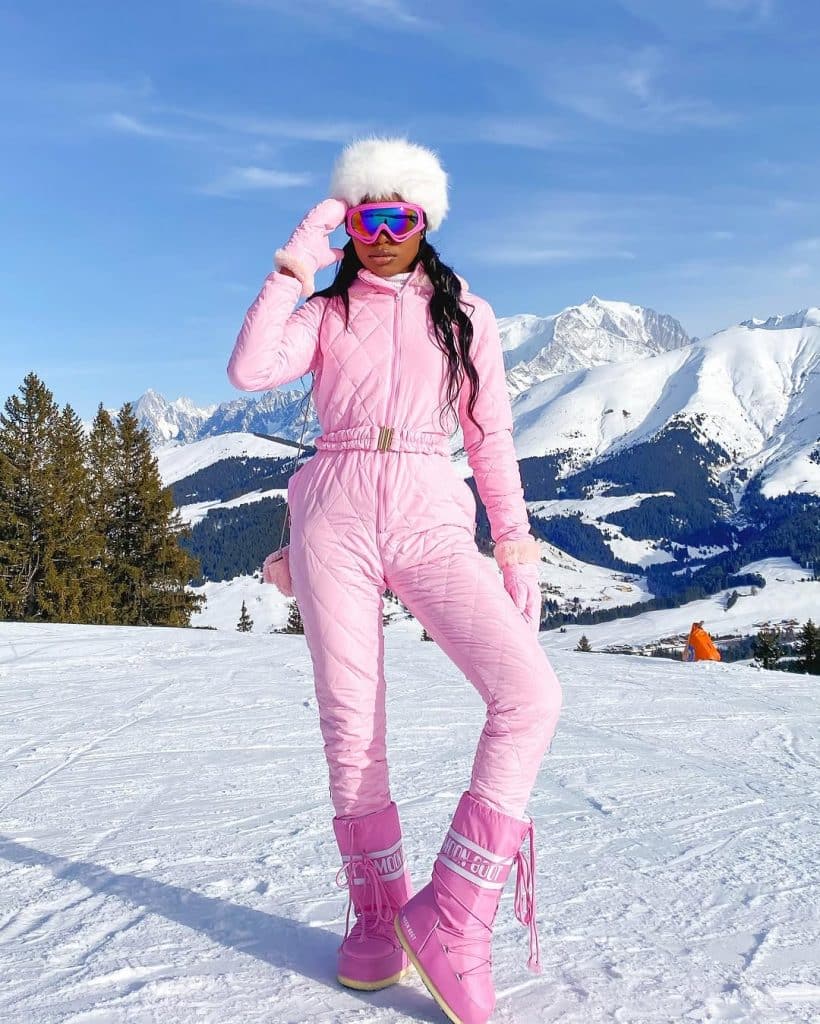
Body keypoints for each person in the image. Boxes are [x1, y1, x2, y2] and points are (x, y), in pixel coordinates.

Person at [227, 137, 563, 1024]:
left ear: (425, 222)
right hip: (333, 508)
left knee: (529, 694)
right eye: (363, 216)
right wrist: (298, 261)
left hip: (427, 504)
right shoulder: (327, 313)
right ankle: (378, 916)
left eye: (398, 217)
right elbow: (249, 369)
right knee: (352, 724)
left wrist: (517, 544)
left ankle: (453, 915)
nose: (380, 234)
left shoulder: (468, 316)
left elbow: (489, 438)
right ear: (348, 222)